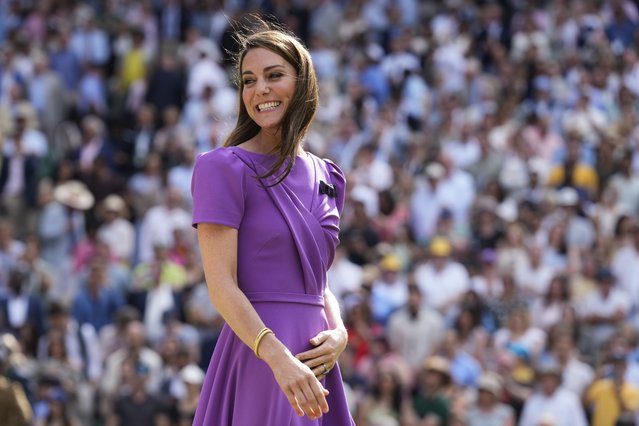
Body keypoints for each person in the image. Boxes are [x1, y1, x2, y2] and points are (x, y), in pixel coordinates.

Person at [190, 21, 354, 424]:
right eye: (249, 80)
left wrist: (341, 332)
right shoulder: (222, 168)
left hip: (317, 363)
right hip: (259, 357)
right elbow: (221, 285)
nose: (259, 89)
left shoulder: (329, 176)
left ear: (303, 85)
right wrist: (277, 357)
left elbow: (318, 281)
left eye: (274, 75)